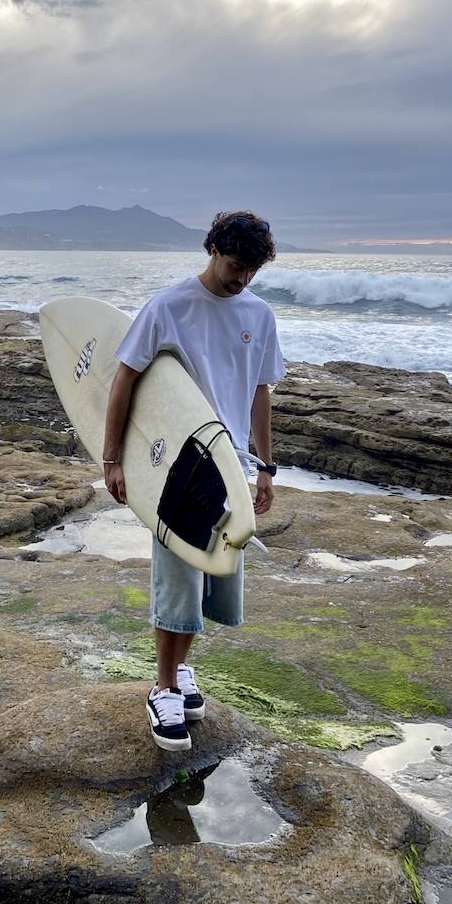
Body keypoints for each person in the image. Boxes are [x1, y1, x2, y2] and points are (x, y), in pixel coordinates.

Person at [101, 210, 285, 751]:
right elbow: (124, 381)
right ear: (212, 250)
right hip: (176, 465)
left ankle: (180, 671)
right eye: (235, 265)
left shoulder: (260, 314)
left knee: (211, 578)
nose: (242, 278)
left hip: (229, 466)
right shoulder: (168, 306)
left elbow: (258, 393)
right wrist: (113, 459)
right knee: (177, 579)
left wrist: (266, 466)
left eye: (252, 269)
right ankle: (162, 689)